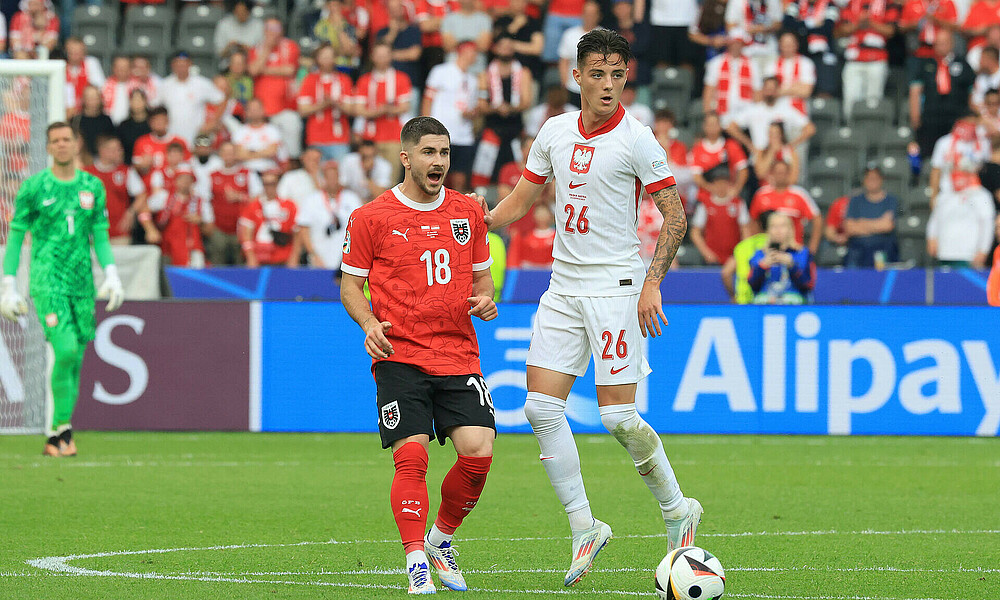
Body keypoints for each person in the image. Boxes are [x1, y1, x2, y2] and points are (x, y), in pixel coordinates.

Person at [485, 28, 701, 587]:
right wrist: (479, 222)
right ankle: (585, 526)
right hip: (563, 285)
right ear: (576, 76)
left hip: (616, 287)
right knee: (539, 408)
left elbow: (675, 217)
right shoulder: (554, 131)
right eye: (598, 74)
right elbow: (523, 198)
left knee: (618, 418)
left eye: (617, 74)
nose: (608, 85)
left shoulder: (637, 139)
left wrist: (652, 283)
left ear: (627, 77)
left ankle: (678, 508)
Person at [340, 116, 497, 594]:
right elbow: (350, 286)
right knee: (412, 456)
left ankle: (440, 540)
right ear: (406, 158)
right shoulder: (371, 217)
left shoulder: (467, 211)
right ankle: (415, 563)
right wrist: (369, 323)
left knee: (479, 452)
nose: (439, 162)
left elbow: (483, 280)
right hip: (400, 354)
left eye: (444, 153)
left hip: (458, 353)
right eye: (429, 152)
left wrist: (485, 300)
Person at [0, 122, 124, 457]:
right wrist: (8, 284)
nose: (61, 145)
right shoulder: (34, 187)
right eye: (55, 140)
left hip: (82, 283)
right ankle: (61, 430)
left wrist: (111, 273)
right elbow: (16, 236)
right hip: (47, 281)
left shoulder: (92, 186)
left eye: (66, 139)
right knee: (65, 350)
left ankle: (60, 433)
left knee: (76, 358)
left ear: (76, 143)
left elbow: (100, 235)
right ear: (48, 147)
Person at [471, 34, 534, 188]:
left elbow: (526, 102)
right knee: (484, 173)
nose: (506, 49)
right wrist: (496, 108)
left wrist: (510, 108)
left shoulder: (523, 72)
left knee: (517, 172)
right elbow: (481, 105)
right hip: (493, 129)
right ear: (495, 48)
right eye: (503, 46)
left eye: (509, 46)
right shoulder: (485, 74)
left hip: (515, 131)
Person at [422, 41, 480, 192]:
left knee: (460, 179)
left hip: (464, 135)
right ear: (462, 51)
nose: (475, 56)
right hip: (441, 133)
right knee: (436, 175)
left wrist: (472, 113)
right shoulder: (441, 71)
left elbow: (472, 107)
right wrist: (426, 128)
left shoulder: (473, 80)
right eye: (473, 51)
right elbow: (428, 99)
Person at [927, 160, 997, 267]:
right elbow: (935, 219)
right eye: (954, 172)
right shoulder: (945, 195)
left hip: (968, 254)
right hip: (944, 252)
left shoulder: (981, 195)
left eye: (961, 172)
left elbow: (987, 224)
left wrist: (983, 250)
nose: (957, 176)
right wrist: (931, 237)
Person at [297, 160, 362, 270]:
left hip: (345, 260)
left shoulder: (352, 199)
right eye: (329, 177)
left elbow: (359, 228)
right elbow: (303, 230)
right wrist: (313, 254)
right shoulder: (312, 200)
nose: (332, 180)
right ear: (324, 178)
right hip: (318, 259)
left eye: (334, 176)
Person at [205, 141, 262, 265]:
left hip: (242, 228)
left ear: (236, 154)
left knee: (240, 263)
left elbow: (259, 198)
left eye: (231, 152)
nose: (228, 156)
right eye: (225, 152)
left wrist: (240, 197)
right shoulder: (212, 175)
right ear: (220, 154)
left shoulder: (247, 173)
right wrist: (209, 221)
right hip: (219, 228)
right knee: (217, 262)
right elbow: (206, 200)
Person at [84, 134, 147, 245]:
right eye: (115, 149)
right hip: (93, 233)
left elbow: (142, 195)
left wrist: (131, 213)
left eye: (120, 149)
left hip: (119, 233)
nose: (120, 152)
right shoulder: (87, 173)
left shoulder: (126, 171)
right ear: (102, 151)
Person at [297, 43, 355, 162]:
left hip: (339, 139)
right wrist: (324, 104)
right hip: (315, 137)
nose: (327, 60)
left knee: (341, 171)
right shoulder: (310, 79)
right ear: (317, 59)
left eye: (330, 56)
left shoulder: (344, 80)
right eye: (324, 56)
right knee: (317, 172)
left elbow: (351, 110)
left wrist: (334, 103)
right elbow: (302, 110)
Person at [750, 160, 822, 255]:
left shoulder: (799, 194)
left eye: (783, 172)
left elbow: (817, 220)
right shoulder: (761, 194)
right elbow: (753, 222)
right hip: (767, 250)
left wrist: (812, 249)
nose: (780, 175)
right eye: (778, 172)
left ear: (789, 174)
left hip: (794, 249)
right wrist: (755, 246)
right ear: (771, 174)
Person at [689, 166, 752, 264]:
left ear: (729, 184)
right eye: (718, 183)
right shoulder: (705, 204)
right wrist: (706, 253)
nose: (721, 186)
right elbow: (695, 233)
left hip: (733, 257)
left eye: (724, 182)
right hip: (711, 258)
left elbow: (746, 231)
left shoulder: (738, 203)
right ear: (713, 184)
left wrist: (741, 253)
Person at [161, 52, 226, 146]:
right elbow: (156, 107)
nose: (181, 68)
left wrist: (213, 122)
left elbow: (222, 100)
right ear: (172, 65)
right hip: (171, 135)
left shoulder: (201, 83)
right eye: (178, 65)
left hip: (196, 135)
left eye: (184, 64)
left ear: (190, 64)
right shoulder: (164, 85)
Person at [238, 169, 300, 267]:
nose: (269, 188)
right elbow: (246, 235)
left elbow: (297, 234)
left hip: (282, 258)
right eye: (266, 184)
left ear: (277, 184)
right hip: (259, 258)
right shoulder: (253, 206)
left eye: (272, 184)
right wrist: (250, 257)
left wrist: (294, 256)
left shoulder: (289, 206)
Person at [748, 211, 815, 303]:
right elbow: (752, 285)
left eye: (782, 226)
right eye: (774, 226)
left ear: (790, 229)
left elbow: (807, 285)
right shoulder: (759, 254)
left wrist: (792, 265)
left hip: (794, 304)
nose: (778, 230)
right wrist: (762, 266)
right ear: (768, 230)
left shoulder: (802, 253)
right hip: (765, 303)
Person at [843, 166, 899, 267]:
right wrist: (878, 224)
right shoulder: (855, 201)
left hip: (883, 249)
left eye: (875, 178)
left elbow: (887, 226)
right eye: (869, 178)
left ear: (881, 179)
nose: (872, 181)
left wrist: (861, 223)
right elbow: (849, 228)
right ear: (864, 181)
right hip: (858, 250)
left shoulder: (891, 200)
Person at [703, 29, 762, 123]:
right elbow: (709, 90)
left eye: (738, 43)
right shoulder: (716, 62)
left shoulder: (752, 64)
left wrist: (757, 114)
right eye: (733, 43)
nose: (735, 46)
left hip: (746, 112)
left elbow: (757, 91)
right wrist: (708, 115)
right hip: (721, 111)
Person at [340, 139, 393, 203]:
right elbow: (342, 187)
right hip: (352, 199)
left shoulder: (384, 166)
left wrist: (368, 174)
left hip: (372, 201)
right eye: (365, 157)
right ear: (359, 151)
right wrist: (355, 200)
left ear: (375, 154)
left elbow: (381, 194)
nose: (367, 160)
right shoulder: (348, 160)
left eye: (370, 156)